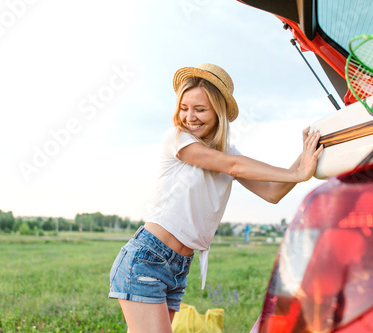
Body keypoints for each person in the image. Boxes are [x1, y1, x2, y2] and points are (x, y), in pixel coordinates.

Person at [109, 63, 323, 332]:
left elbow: (272, 192)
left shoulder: (227, 153)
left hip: (177, 268)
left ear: (218, 112)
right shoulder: (177, 139)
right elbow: (233, 165)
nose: (190, 117)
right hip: (149, 259)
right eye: (184, 108)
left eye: (200, 109)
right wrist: (299, 173)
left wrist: (304, 159)